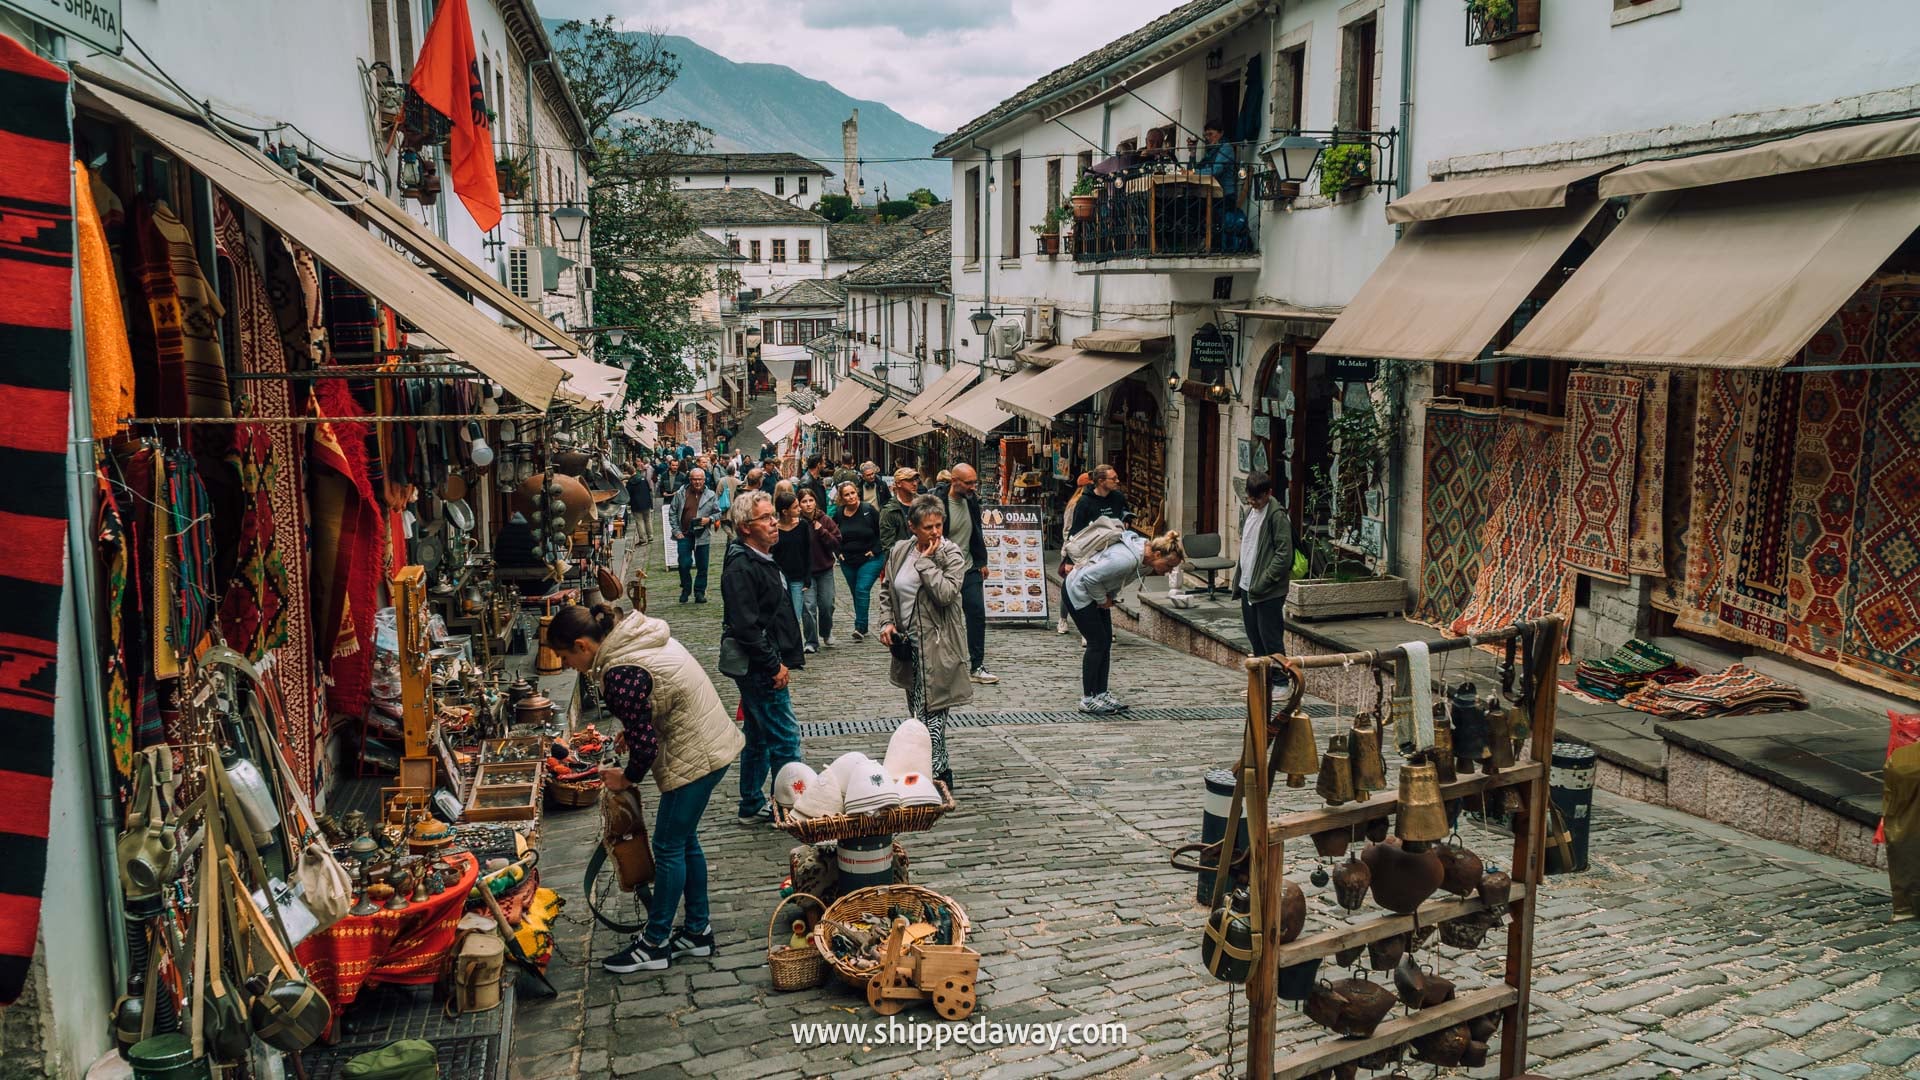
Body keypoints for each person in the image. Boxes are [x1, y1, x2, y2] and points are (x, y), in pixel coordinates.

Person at [547, 603, 741, 972]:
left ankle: (655, 943)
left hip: (695, 755)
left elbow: (646, 746)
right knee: (684, 842)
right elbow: (657, 696)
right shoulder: (635, 640)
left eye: (565, 657)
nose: (567, 666)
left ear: (583, 646)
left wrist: (627, 778)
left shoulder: (620, 670)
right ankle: (697, 931)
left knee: (669, 846)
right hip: (712, 743)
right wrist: (634, 727)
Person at [722, 491, 805, 825]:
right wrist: (774, 664)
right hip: (760, 667)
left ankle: (751, 803)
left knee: (758, 736)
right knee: (786, 738)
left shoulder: (761, 556)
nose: (775, 522)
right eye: (766, 518)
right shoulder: (742, 566)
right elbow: (746, 625)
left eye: (774, 516)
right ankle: (792, 806)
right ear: (745, 527)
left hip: (766, 662)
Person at [877, 495, 971, 789]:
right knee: (918, 714)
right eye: (928, 526)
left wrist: (928, 563)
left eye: (939, 525)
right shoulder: (900, 551)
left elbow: (945, 594)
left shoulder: (951, 555)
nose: (934, 532)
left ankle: (938, 776)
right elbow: (887, 590)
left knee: (932, 717)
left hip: (939, 648)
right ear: (912, 527)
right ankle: (936, 774)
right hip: (908, 647)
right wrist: (886, 621)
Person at [1065, 529, 1186, 714]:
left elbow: (1113, 580)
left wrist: (1107, 598)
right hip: (1078, 591)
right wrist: (1102, 600)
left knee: (1105, 642)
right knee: (1096, 643)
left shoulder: (1146, 560)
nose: (1169, 572)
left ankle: (1101, 693)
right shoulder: (1125, 560)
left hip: (1097, 593)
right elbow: (1088, 578)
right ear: (1158, 554)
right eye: (1169, 566)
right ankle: (1088, 698)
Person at [931, 463, 997, 684]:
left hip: (968, 567)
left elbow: (976, 530)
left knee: (976, 611)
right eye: (968, 483)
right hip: (943, 569)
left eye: (974, 482)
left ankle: (977, 665)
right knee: (945, 618)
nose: (973, 487)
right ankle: (945, 665)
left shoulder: (971, 500)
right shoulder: (937, 502)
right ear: (954, 481)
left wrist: (982, 560)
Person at [1236, 471, 1292, 662]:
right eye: (1250, 498)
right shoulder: (1249, 511)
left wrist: (1264, 581)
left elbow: (1284, 555)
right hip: (1247, 586)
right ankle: (1261, 685)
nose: (1253, 502)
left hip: (1267, 589)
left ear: (1268, 493)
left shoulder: (1277, 516)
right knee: (1255, 640)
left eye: (1257, 499)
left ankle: (1280, 682)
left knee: (1271, 640)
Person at [831, 480, 884, 641]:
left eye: (852, 493)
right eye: (846, 494)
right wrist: (837, 552)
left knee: (862, 589)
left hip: (870, 559)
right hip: (848, 560)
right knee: (856, 593)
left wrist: (874, 550)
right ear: (842, 498)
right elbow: (831, 535)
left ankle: (859, 627)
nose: (851, 497)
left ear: (857, 493)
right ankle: (864, 624)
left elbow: (883, 531)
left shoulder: (868, 510)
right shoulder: (839, 513)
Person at [771, 491, 817, 655]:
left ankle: (793, 647)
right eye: (796, 507)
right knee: (780, 612)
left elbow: (807, 551)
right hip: (780, 576)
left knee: (796, 614)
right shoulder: (774, 528)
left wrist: (807, 577)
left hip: (798, 577)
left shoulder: (803, 525)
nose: (800, 509)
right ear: (785, 511)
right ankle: (781, 644)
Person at [669, 468, 721, 603]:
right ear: (690, 480)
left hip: (702, 535)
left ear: (704, 480)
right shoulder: (681, 493)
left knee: (702, 566)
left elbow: (718, 512)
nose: (697, 482)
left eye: (700, 479)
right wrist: (676, 531)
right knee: (684, 564)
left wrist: (709, 519)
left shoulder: (710, 494)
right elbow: (672, 512)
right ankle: (686, 588)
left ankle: (699, 592)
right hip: (684, 534)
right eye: (695, 479)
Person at [799, 489, 841, 648]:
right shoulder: (797, 522)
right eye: (804, 501)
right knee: (808, 607)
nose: (808, 504)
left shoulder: (825, 520)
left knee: (827, 604)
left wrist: (821, 531)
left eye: (810, 500)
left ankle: (826, 631)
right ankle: (810, 641)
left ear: (815, 501)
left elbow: (836, 543)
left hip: (824, 569)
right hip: (806, 572)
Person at [1056, 472, 1091, 633]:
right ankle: (1063, 619)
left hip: (1091, 551)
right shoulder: (1075, 504)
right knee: (1069, 585)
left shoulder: (1093, 502)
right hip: (1075, 551)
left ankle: (1091, 626)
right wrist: (1071, 553)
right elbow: (1067, 530)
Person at [877, 466, 919, 552]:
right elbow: (888, 545)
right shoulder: (889, 511)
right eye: (909, 480)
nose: (914, 483)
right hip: (903, 558)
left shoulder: (924, 503)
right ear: (899, 484)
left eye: (916, 480)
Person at [626, 463, 655, 545]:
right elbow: (648, 490)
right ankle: (650, 537)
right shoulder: (643, 478)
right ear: (635, 470)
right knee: (648, 520)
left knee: (639, 521)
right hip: (646, 502)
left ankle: (643, 539)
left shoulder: (630, 482)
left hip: (636, 504)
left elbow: (628, 494)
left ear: (628, 473)